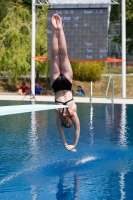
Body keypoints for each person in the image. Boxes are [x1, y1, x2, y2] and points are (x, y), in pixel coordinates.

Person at [50, 14, 80, 152]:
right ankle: (55, 29)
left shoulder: (73, 113)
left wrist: (74, 144)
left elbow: (77, 130)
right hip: (56, 84)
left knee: (64, 54)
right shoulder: (58, 116)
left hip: (67, 83)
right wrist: (66, 145)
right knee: (55, 56)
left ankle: (60, 28)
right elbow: (61, 134)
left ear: (70, 121)